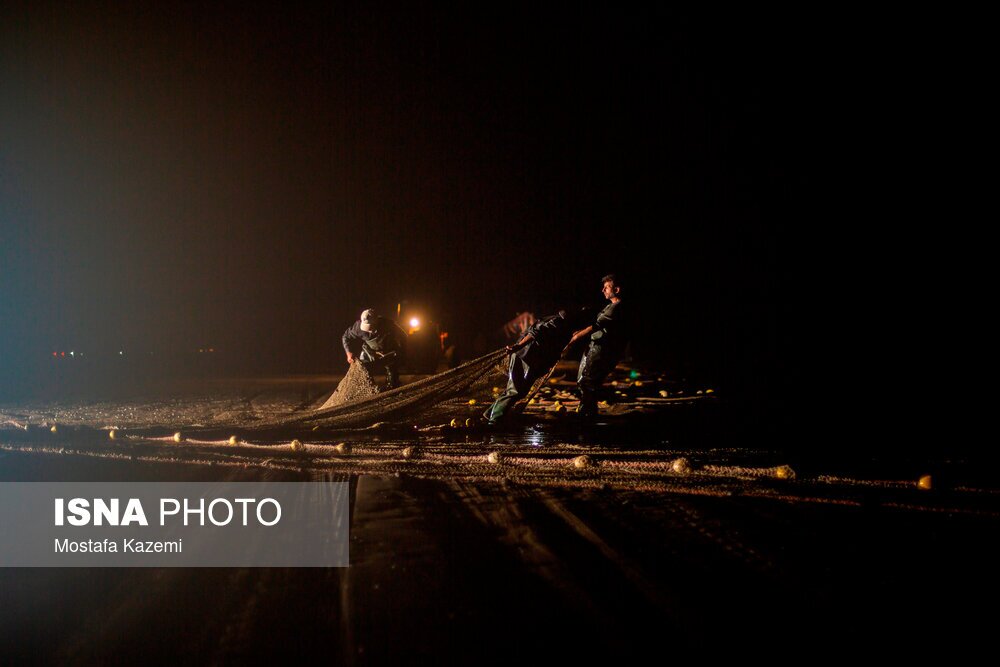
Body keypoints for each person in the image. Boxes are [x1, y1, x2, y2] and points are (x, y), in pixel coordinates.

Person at [483, 309, 586, 425]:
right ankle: (495, 420)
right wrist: (518, 346)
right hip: (524, 355)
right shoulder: (557, 322)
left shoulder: (565, 328)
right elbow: (535, 333)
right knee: (515, 390)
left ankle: (489, 413)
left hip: (532, 359)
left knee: (519, 391)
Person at [565, 274, 630, 418]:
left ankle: (587, 415)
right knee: (584, 381)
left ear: (617, 290)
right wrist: (579, 332)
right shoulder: (610, 306)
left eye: (607, 287)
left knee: (588, 381)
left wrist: (576, 337)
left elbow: (596, 326)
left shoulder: (616, 308)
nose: (603, 290)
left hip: (602, 349)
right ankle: (587, 412)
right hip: (596, 347)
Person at [342, 308, 407, 389]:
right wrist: (348, 353)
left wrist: (400, 350)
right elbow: (346, 337)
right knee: (362, 366)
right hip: (370, 350)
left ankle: (392, 384)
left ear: (377, 321)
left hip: (388, 350)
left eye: (371, 326)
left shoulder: (388, 324)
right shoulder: (357, 327)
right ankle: (368, 387)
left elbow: (404, 336)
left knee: (392, 372)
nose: (368, 330)